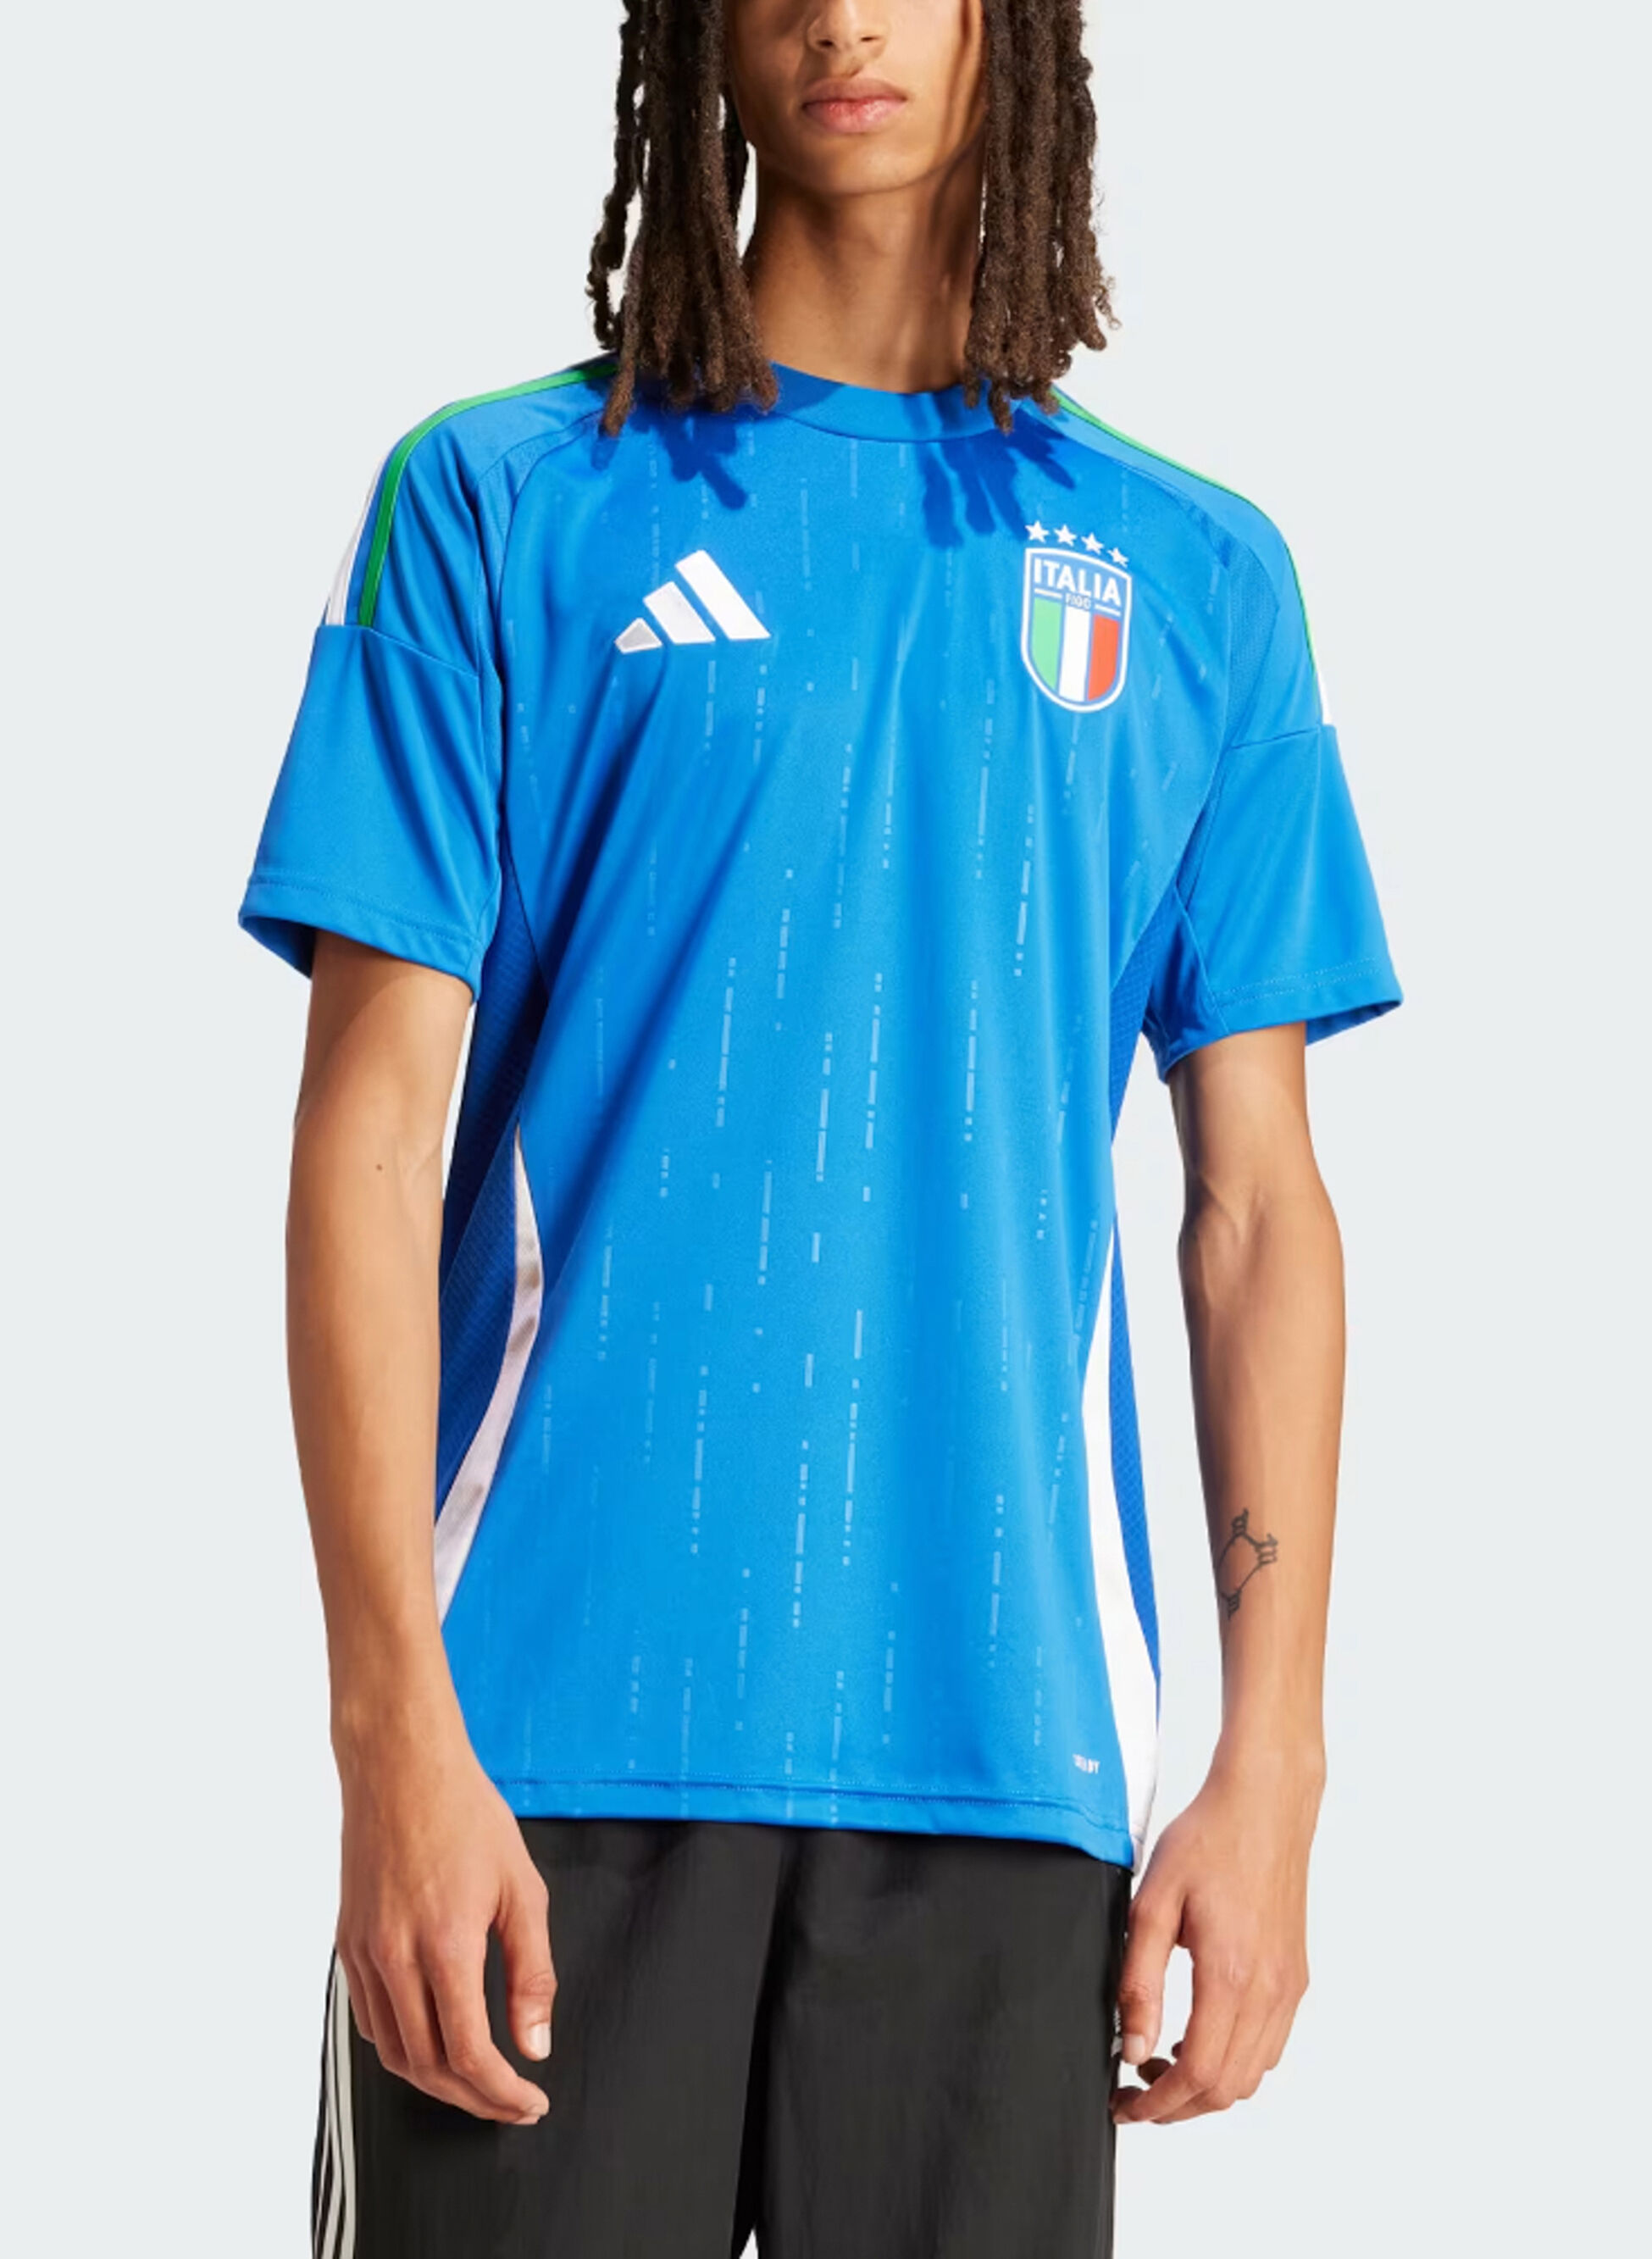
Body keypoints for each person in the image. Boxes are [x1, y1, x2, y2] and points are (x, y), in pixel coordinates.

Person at [238, 3, 1400, 2254]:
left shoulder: (1197, 577)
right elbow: (366, 1143)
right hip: (537, 1752)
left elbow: (1259, 1206)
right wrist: (391, 1729)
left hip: (1006, 1757)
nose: (839, 15)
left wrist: (1276, 1764)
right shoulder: (496, 502)